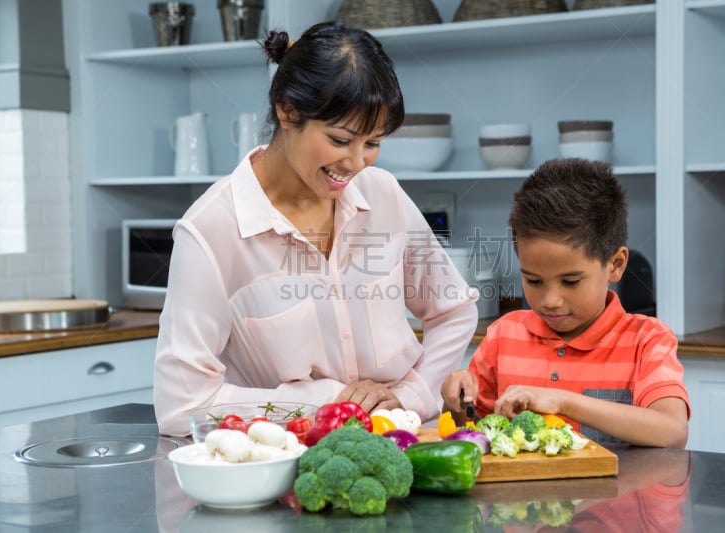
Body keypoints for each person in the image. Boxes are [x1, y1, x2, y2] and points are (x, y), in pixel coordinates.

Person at [154, 21, 478, 437]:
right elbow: (182, 406)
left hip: (407, 446)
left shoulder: (382, 195)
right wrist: (321, 402)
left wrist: (412, 393)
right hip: (290, 467)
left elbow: (453, 310)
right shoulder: (211, 232)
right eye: (341, 140)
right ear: (288, 110)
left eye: (373, 143)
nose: (357, 163)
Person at [441, 158, 689, 447]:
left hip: (618, 493)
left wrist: (563, 402)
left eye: (570, 281)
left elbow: (672, 431)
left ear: (616, 264)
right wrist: (456, 402)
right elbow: (473, 431)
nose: (550, 300)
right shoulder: (503, 335)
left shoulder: (647, 339)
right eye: (533, 281)